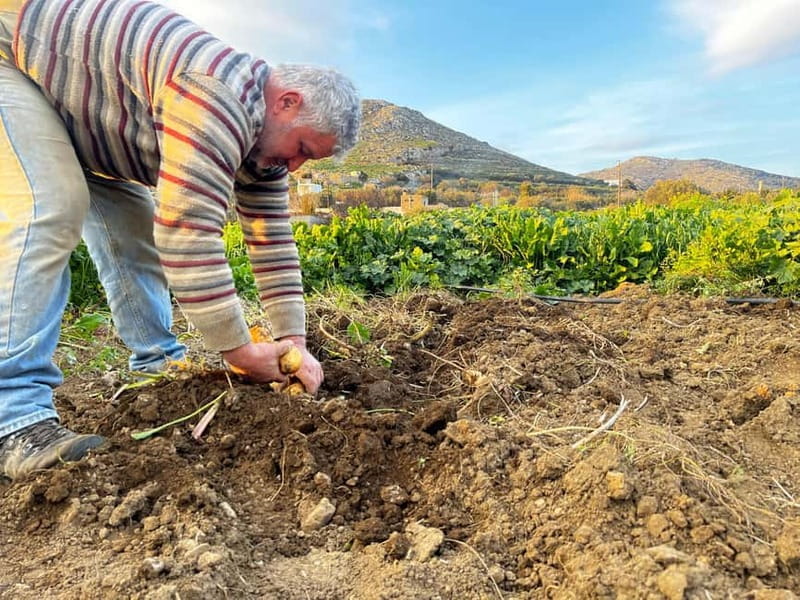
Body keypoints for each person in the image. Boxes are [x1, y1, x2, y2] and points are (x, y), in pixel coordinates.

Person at [0, 0, 360, 479]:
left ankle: (158, 367)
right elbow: (188, 228)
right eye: (301, 150)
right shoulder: (217, 97)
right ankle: (15, 419)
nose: (294, 167)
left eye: (308, 162)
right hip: (14, 59)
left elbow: (271, 242)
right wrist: (239, 351)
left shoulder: (264, 150)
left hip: (90, 130)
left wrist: (292, 338)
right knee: (52, 206)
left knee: (134, 230)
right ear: (286, 102)